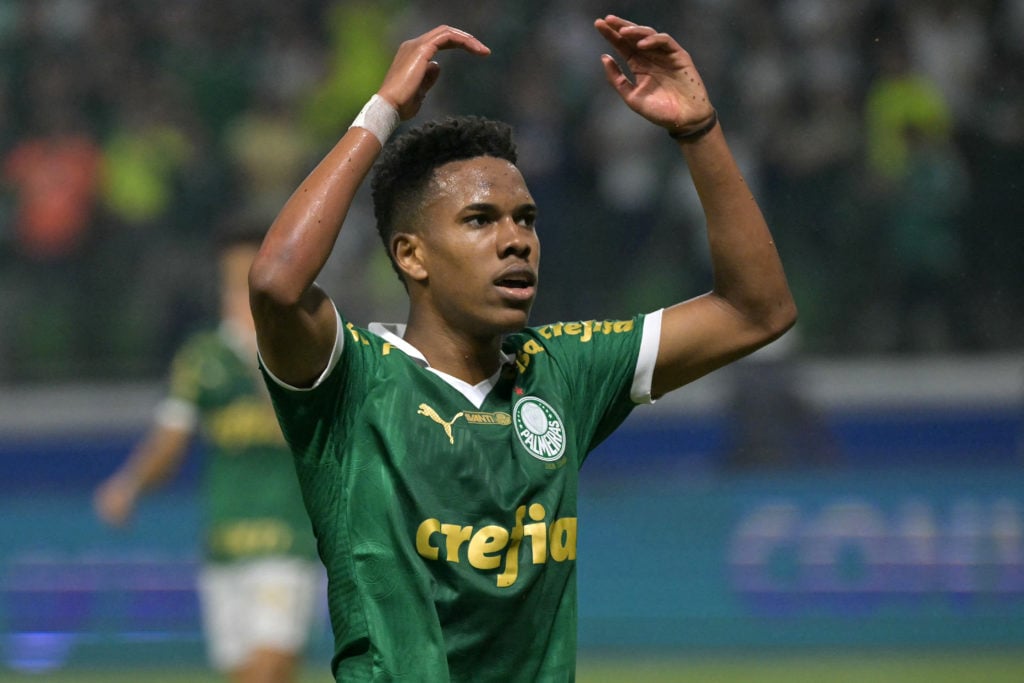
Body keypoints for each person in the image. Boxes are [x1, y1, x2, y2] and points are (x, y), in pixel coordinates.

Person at [248, 15, 796, 682]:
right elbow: (277, 283)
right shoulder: (351, 380)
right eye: (480, 219)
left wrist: (698, 130)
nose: (516, 240)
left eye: (526, 219)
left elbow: (756, 310)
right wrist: (383, 109)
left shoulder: (562, 369)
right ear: (411, 255)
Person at [94, 220, 322, 683]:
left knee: (268, 669)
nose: (238, 286)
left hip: (288, 541)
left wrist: (264, 345)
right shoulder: (202, 357)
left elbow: (305, 431)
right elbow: (170, 442)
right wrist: (131, 484)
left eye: (249, 274)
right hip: (224, 545)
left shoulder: (304, 345)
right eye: (231, 275)